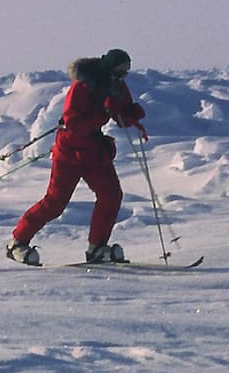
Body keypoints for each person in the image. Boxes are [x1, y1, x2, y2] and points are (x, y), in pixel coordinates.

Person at [8, 47, 146, 266]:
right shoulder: (83, 85)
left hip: (94, 152)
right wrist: (105, 112)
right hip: (70, 152)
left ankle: (97, 247)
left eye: (125, 73)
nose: (121, 77)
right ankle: (17, 242)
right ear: (108, 68)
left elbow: (121, 113)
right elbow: (73, 122)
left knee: (111, 195)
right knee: (55, 203)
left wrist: (130, 115)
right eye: (119, 72)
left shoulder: (116, 85)